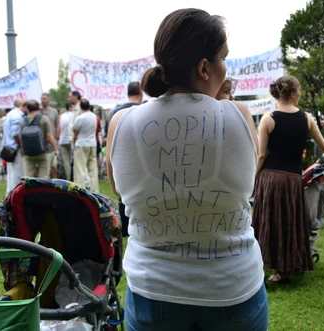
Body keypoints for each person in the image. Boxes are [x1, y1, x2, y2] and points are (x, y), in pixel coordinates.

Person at [106, 9, 267, 331]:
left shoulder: (121, 123)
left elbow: (120, 191)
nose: (226, 69)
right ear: (205, 67)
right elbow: (245, 183)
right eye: (224, 59)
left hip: (154, 289)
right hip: (232, 287)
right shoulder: (238, 115)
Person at [252, 75, 324, 284]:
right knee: (288, 221)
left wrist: (254, 177)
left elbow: (261, 155)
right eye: (299, 92)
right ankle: (285, 268)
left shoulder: (268, 119)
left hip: (271, 179)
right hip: (293, 179)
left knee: (269, 221)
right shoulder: (307, 118)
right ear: (293, 94)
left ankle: (261, 264)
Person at [104, 82, 144, 237]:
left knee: (124, 201)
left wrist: (114, 185)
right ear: (140, 92)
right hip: (140, 166)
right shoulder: (144, 110)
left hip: (122, 167)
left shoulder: (116, 111)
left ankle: (125, 228)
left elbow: (110, 154)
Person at [20, 100, 59, 179]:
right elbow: (49, 135)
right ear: (38, 108)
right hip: (42, 151)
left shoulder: (24, 120)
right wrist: (56, 149)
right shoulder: (44, 119)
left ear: (27, 109)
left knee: (27, 175)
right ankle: (42, 191)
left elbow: (21, 137)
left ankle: (27, 190)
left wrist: (22, 149)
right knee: (44, 175)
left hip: (28, 152)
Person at [73, 99, 99, 193]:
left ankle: (81, 190)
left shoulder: (80, 118)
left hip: (81, 143)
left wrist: (74, 142)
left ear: (81, 107)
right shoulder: (94, 117)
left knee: (80, 169)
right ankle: (95, 190)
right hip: (92, 143)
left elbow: (75, 131)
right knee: (93, 170)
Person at [2, 99, 26, 193]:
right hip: (15, 148)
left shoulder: (10, 114)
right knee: (17, 174)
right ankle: (14, 195)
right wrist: (21, 146)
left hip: (9, 147)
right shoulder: (17, 115)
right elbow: (15, 133)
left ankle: (10, 195)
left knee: (11, 174)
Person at [59, 101, 75, 180]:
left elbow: (59, 128)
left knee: (66, 161)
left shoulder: (62, 116)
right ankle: (75, 177)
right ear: (70, 107)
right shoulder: (74, 115)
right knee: (75, 159)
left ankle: (68, 178)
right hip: (72, 140)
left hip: (63, 140)